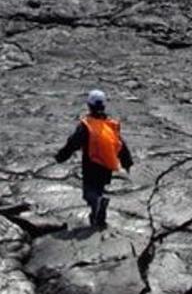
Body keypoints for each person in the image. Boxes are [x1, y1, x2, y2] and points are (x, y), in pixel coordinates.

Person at [54, 89, 133, 229]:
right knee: (99, 189)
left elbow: (73, 143)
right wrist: (127, 162)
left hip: (91, 164)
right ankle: (98, 218)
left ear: (89, 105)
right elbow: (121, 144)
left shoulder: (87, 125)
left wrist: (61, 156)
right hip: (106, 165)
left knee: (89, 192)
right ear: (104, 106)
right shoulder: (111, 124)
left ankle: (97, 204)